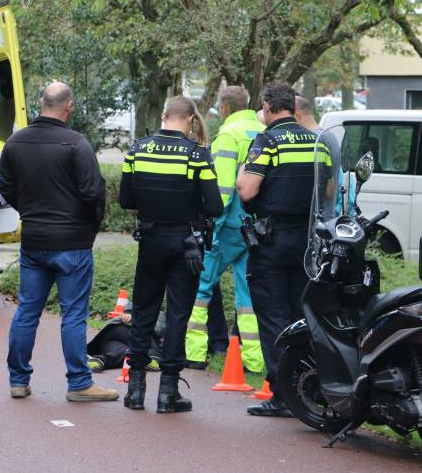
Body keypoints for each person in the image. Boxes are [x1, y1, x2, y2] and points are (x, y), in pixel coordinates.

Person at [0, 82, 118, 402]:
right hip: (72, 243)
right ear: (69, 106)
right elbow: (94, 193)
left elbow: (7, 188)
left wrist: (29, 211)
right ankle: (79, 383)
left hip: (34, 240)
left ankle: (18, 380)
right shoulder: (76, 144)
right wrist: (88, 228)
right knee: (74, 314)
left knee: (27, 311)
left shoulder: (15, 143)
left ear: (41, 103)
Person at [119, 96, 223, 413]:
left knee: (144, 310)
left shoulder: (137, 150)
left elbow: (125, 199)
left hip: (150, 240)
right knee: (178, 314)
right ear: (191, 119)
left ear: (164, 115)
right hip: (185, 244)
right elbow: (215, 207)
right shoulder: (197, 155)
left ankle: (135, 390)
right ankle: (168, 393)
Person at [237, 82, 331, 417]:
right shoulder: (318, 142)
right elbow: (330, 189)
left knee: (273, 315)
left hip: (272, 241)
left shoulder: (267, 141)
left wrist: (241, 172)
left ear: (267, 106)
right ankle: (307, 387)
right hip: (308, 241)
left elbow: (247, 192)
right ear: (292, 105)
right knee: (300, 314)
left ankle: (283, 394)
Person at [184, 86, 265, 373]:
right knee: (247, 296)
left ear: (225, 108)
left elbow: (222, 189)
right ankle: (256, 361)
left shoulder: (228, 137)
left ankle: (193, 353)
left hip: (227, 228)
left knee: (201, 287)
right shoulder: (263, 133)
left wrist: (210, 227)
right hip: (254, 229)